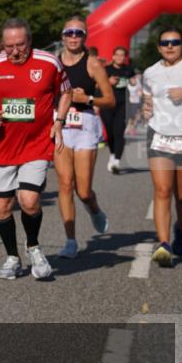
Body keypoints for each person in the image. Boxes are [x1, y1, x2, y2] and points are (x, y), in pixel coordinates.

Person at [0, 17, 72, 281]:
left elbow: (66, 92)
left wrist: (59, 122)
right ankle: (12, 257)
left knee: (29, 201)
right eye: (9, 46)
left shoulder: (49, 62)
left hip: (36, 144)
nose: (15, 51)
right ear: (1, 45)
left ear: (29, 40)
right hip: (2, 146)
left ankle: (33, 246)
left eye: (20, 45)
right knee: (3, 207)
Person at [53, 17, 114, 258]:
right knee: (65, 184)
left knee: (84, 191)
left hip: (85, 125)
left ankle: (94, 209)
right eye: (69, 32)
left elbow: (109, 100)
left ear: (85, 36)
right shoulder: (54, 63)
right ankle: (70, 240)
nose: (73, 37)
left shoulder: (93, 64)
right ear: (63, 36)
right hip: (60, 124)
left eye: (78, 33)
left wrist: (87, 99)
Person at [141, 26, 182, 267]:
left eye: (175, 42)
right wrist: (146, 109)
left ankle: (181, 228)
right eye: (164, 43)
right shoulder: (150, 73)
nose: (169, 46)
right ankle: (164, 244)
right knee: (162, 190)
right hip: (159, 134)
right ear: (159, 47)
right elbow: (147, 99)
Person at [103, 46, 136, 173]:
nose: (120, 57)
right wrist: (108, 81)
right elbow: (97, 84)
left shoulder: (129, 70)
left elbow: (134, 82)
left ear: (125, 57)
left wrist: (133, 82)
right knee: (110, 133)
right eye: (117, 55)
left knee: (119, 133)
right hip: (107, 104)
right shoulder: (106, 70)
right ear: (113, 56)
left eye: (122, 55)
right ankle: (112, 154)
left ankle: (116, 161)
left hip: (123, 105)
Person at [127, 71, 144, 135]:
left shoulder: (138, 81)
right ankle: (129, 128)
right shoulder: (128, 83)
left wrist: (141, 94)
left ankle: (132, 128)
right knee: (131, 117)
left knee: (137, 117)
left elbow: (142, 75)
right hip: (130, 102)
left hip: (137, 102)